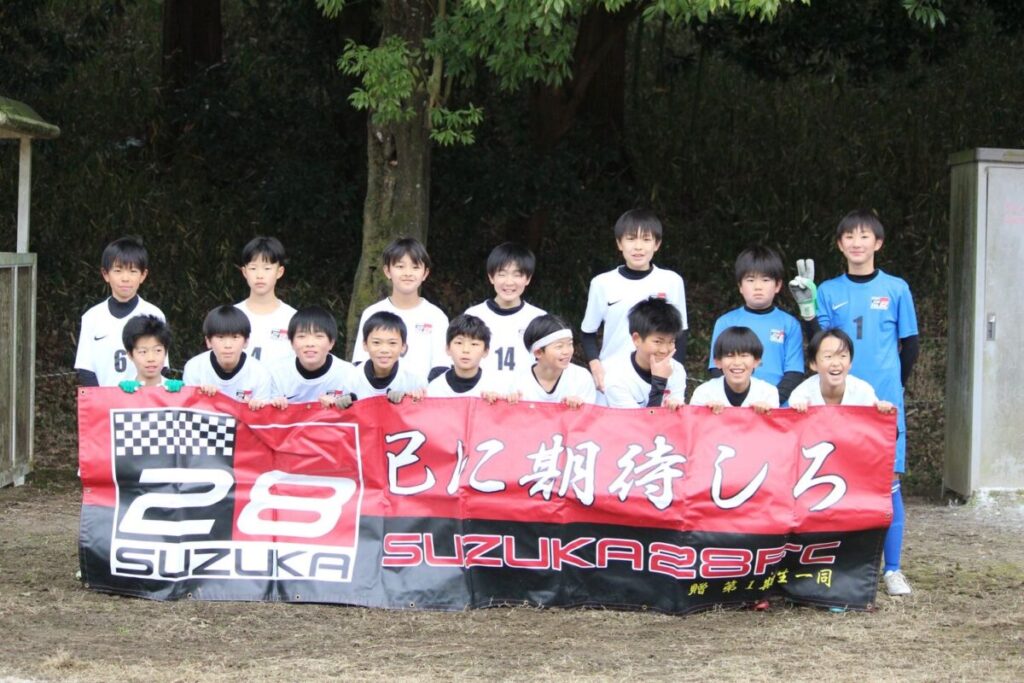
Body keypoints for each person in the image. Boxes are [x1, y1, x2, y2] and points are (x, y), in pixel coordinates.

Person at [788, 209, 919, 597]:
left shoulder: (896, 288)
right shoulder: (828, 290)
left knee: (889, 481)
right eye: (849, 237)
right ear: (839, 244)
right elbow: (819, 341)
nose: (857, 243)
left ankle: (892, 569)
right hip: (837, 401)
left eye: (864, 236)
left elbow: (910, 345)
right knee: (832, 477)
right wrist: (808, 310)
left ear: (878, 243)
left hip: (882, 404)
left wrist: (894, 386)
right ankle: (835, 563)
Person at [581, 209, 688, 392]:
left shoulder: (672, 281)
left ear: (657, 244)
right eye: (631, 239)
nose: (638, 247)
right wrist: (596, 366)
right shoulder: (602, 283)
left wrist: (673, 374)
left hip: (658, 375)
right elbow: (587, 332)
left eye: (646, 239)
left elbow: (681, 332)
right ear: (619, 243)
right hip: (612, 378)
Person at [707, 246, 804, 404]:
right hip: (734, 407)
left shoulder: (790, 324)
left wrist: (771, 401)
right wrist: (738, 401)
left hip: (776, 408)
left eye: (765, 280)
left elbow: (794, 372)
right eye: (750, 280)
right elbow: (716, 368)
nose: (758, 287)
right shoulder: (725, 322)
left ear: (778, 285)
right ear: (740, 286)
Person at [351, 237, 449, 383]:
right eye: (400, 266)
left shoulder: (436, 316)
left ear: (425, 273)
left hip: (423, 394)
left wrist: (422, 392)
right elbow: (360, 363)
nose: (408, 273)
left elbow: (442, 367)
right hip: (379, 394)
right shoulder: (372, 313)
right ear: (387, 271)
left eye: (415, 267)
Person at [75, 236, 166, 386]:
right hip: (104, 398)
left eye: (133, 271)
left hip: (143, 398)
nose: (125, 278)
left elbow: (162, 366)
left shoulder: (154, 315)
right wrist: (103, 398)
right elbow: (86, 369)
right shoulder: (92, 317)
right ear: (106, 274)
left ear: (143, 275)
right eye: (118, 271)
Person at [464, 242, 545, 379]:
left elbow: (548, 366)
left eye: (517, 275)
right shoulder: (474, 315)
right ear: (491, 277)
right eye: (502, 274)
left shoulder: (539, 318)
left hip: (524, 392)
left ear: (528, 279)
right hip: (483, 391)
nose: (509, 282)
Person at [182, 305, 276, 408]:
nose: (228, 345)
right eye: (220, 337)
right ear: (208, 341)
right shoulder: (194, 368)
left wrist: (253, 409)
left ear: (246, 341)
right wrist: (202, 398)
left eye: (235, 337)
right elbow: (187, 409)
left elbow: (263, 416)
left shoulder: (260, 374)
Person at [603, 297, 687, 408]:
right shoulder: (617, 378)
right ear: (636, 339)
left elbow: (676, 415)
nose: (664, 350)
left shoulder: (676, 370)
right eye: (658, 342)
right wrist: (659, 382)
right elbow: (641, 420)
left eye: (671, 342)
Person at [266, 306, 357, 409]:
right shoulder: (276, 373)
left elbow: (358, 411)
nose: (310, 343)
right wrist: (274, 405)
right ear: (291, 343)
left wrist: (338, 406)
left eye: (318, 336)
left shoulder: (349, 374)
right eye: (302, 336)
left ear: (331, 343)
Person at [788, 328, 895, 414]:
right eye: (828, 356)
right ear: (813, 364)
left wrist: (883, 411)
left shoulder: (863, 391)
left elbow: (877, 428)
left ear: (850, 362)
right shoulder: (802, 395)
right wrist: (797, 411)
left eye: (843, 356)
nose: (836, 363)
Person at [686, 326, 778, 414]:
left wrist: (766, 415)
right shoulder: (704, 393)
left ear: (756, 361)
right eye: (730, 356)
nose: (737, 362)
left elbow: (773, 424)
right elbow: (693, 423)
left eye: (744, 355)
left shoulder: (767, 393)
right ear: (717, 362)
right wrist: (706, 413)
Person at [235, 236, 297, 366]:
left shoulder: (293, 318)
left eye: (267, 268)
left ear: (279, 272)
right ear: (244, 272)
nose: (259, 275)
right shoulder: (232, 315)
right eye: (253, 268)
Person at [515, 314, 596, 408]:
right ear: (538, 352)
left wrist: (577, 407)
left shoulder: (581, 377)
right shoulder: (520, 381)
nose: (566, 351)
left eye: (570, 344)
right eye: (559, 346)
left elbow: (588, 415)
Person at [427, 314, 514, 401]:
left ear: (485, 351)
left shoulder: (496, 388)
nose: (466, 350)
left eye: (474, 344)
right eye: (459, 343)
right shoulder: (435, 389)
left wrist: (498, 402)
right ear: (448, 349)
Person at [350, 311, 427, 402]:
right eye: (376, 342)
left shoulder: (415, 378)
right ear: (365, 345)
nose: (384, 350)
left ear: (403, 347)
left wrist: (412, 399)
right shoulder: (352, 377)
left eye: (392, 343)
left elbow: (426, 407)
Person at [116, 315, 183, 393]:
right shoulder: (121, 393)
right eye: (143, 352)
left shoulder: (178, 392)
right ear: (130, 355)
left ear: (165, 352)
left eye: (158, 350)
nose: (151, 358)